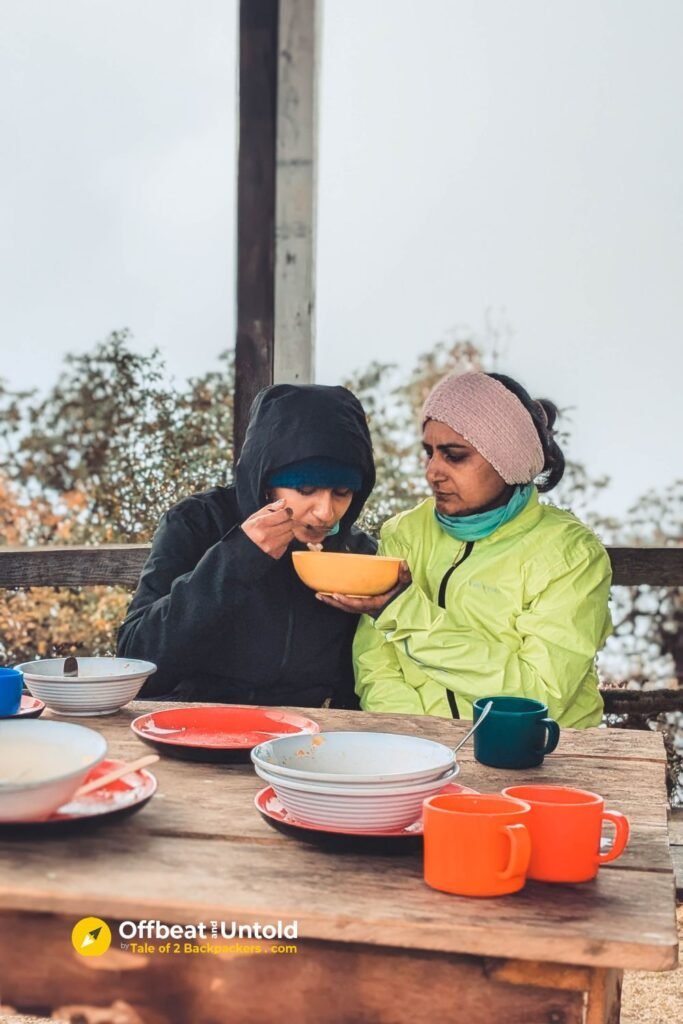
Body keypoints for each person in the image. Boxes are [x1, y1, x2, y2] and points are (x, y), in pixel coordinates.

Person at [319, 371, 612, 728]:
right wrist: (425, 741)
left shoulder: (572, 555)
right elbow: (375, 665)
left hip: (541, 754)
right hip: (421, 750)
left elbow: (538, 696)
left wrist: (403, 611)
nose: (432, 472)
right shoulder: (406, 533)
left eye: (454, 456)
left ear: (509, 461)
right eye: (429, 453)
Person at [117, 383, 376, 707]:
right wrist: (238, 557)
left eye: (342, 492)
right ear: (265, 482)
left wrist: (386, 609)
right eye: (307, 488)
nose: (325, 512)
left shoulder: (356, 552)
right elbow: (136, 665)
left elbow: (365, 677)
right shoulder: (196, 522)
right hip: (198, 723)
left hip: (309, 738)